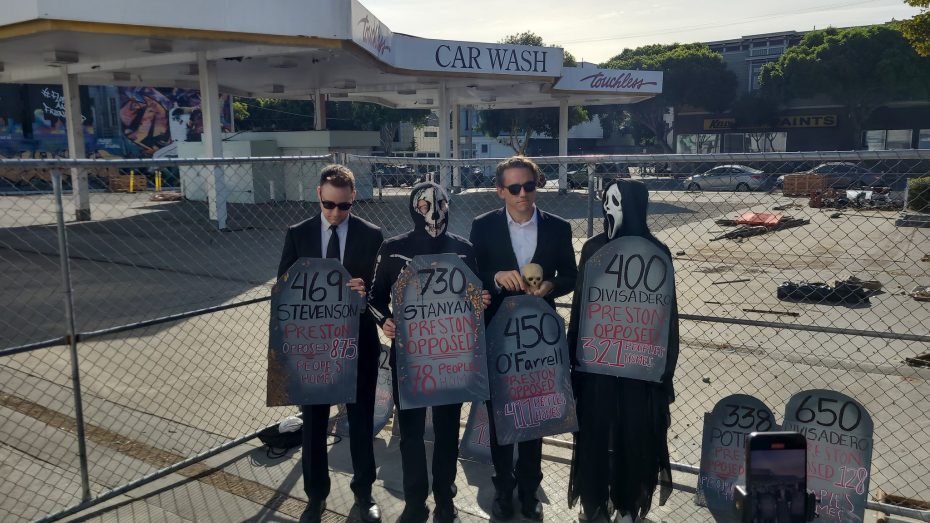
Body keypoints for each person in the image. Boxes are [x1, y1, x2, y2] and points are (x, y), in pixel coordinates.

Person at [368, 181, 490, 523]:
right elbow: (374, 297)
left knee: (448, 432)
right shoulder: (393, 249)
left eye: (440, 204)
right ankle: (414, 499)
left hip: (451, 357)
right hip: (410, 360)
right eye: (424, 206)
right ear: (412, 208)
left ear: (449, 207)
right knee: (410, 434)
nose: (434, 212)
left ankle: (445, 497)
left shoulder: (464, 249)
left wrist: (481, 302)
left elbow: (475, 298)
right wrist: (385, 321)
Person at [468, 156, 578, 521]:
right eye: (513, 188)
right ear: (500, 191)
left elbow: (571, 276)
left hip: (538, 339)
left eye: (528, 186)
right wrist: (496, 277)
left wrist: (551, 285)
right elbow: (471, 276)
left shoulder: (558, 227)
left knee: (535, 414)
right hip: (496, 334)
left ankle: (530, 490)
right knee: (500, 416)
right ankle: (503, 489)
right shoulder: (482, 227)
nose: (522, 194)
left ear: (536, 186)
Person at [277, 164, 384, 523]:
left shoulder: (372, 235)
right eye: (329, 205)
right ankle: (315, 498)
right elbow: (283, 286)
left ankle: (364, 493)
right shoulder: (299, 233)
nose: (336, 213)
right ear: (318, 196)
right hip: (314, 347)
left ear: (354, 198)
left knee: (361, 420)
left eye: (343, 206)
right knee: (314, 422)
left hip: (358, 343)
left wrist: (365, 290)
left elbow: (379, 293)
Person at [567, 179, 678, 523]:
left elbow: (666, 317)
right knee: (595, 430)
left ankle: (629, 503)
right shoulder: (593, 248)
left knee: (636, 432)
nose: (608, 209)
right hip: (596, 362)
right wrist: (575, 359)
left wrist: (664, 369)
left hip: (639, 365)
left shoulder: (656, 251)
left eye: (617, 202)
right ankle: (595, 500)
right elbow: (581, 308)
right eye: (606, 201)